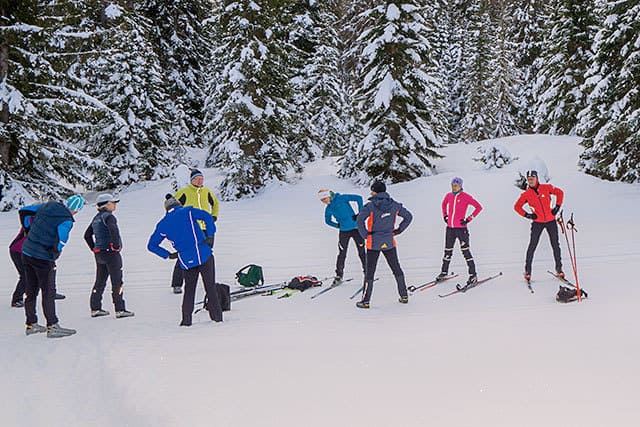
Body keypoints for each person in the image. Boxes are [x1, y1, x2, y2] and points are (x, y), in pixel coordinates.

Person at [148, 194, 222, 326]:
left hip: (186, 260)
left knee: (189, 290)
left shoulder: (163, 224)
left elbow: (151, 245)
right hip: (203, 254)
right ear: (178, 205)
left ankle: (186, 320)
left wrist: (168, 255)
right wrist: (210, 235)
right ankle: (217, 318)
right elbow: (207, 217)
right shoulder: (187, 211)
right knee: (210, 287)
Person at [21, 195, 85, 338]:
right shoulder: (66, 220)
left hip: (27, 251)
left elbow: (24, 211)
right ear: (76, 209)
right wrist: (55, 253)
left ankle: (31, 324)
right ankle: (52, 325)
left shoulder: (48, 205)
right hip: (43, 257)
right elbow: (62, 240)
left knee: (31, 290)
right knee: (48, 291)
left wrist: (28, 230)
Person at [355, 181, 412, 308]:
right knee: (396, 268)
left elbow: (359, 220)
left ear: (375, 192)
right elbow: (408, 217)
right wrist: (399, 230)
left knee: (370, 273)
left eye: (372, 190)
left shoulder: (370, 206)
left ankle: (365, 301)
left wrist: (365, 235)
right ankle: (404, 296)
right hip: (389, 241)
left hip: (373, 243)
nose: (371, 193)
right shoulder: (394, 205)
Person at [83, 193, 134, 319]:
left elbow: (87, 235)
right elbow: (114, 231)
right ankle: (120, 309)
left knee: (100, 281)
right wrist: (116, 246)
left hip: (99, 253)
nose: (115, 205)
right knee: (117, 281)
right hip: (111, 253)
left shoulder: (96, 218)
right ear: (106, 204)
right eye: (113, 202)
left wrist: (94, 248)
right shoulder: (109, 217)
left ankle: (95, 308)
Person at [169, 168, 220, 294]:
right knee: (185, 254)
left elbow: (216, 204)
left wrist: (213, 216)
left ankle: (208, 282)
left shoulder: (206, 191)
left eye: (201, 179)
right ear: (192, 180)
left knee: (206, 255)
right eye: (197, 179)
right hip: (190, 230)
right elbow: (171, 206)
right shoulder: (184, 192)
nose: (199, 181)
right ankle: (177, 283)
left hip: (205, 229)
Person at [9, 206, 66, 307]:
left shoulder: (37, 219)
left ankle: (51, 292)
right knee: (25, 275)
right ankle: (17, 299)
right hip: (19, 250)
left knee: (50, 267)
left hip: (30, 250)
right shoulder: (33, 220)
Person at [514, 170, 564, 282]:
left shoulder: (546, 188)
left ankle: (559, 269)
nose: (530, 181)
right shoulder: (526, 194)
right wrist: (528, 215)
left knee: (555, 245)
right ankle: (528, 271)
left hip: (551, 221)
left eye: (532, 178)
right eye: (529, 179)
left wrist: (557, 207)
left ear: (537, 179)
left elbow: (560, 192)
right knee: (532, 246)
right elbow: (517, 207)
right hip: (537, 223)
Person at [438, 177, 483, 286]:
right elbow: (443, 204)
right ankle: (444, 272)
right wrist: (445, 216)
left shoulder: (466, 197)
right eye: (453, 185)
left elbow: (478, 207)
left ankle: (473, 275)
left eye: (456, 185)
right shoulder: (448, 196)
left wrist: (468, 219)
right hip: (450, 229)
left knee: (465, 251)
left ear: (460, 186)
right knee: (447, 251)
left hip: (461, 229)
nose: (454, 187)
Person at [319, 189, 366, 285]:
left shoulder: (342, 198)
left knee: (361, 251)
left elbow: (359, 198)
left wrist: (360, 213)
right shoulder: (328, 208)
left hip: (356, 228)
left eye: (324, 198)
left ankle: (368, 273)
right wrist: (338, 225)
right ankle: (339, 276)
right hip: (344, 231)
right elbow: (327, 221)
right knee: (342, 253)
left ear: (329, 195)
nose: (324, 201)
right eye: (322, 200)